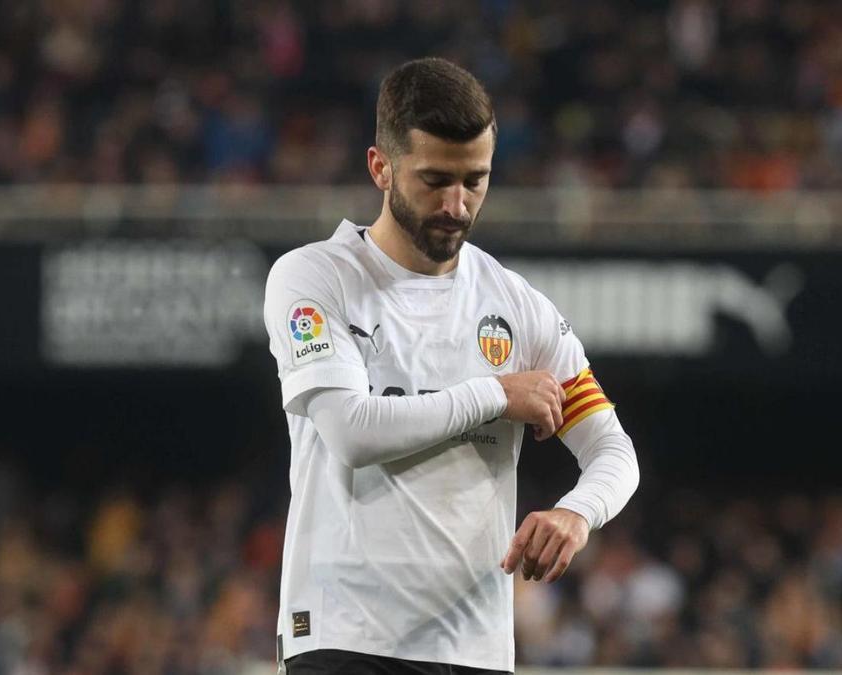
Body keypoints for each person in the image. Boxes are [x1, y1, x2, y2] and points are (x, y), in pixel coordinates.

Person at [263, 58, 640, 675]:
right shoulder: (315, 277)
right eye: (435, 180)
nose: (457, 205)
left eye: (475, 181)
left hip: (475, 646)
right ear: (379, 167)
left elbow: (613, 450)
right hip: (345, 635)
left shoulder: (518, 306)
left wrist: (578, 512)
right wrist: (495, 394)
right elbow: (353, 433)